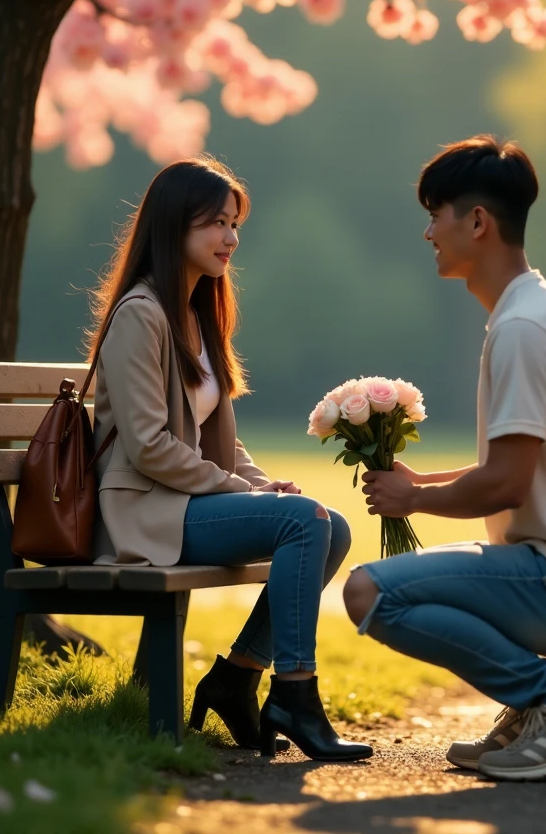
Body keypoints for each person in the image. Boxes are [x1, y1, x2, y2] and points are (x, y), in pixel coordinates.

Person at [343, 135, 546, 781]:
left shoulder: (523, 328)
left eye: (436, 213)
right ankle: (536, 708)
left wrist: (414, 499)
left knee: (371, 592)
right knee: (387, 588)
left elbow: (506, 483)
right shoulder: (531, 311)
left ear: (476, 221)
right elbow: (523, 462)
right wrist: (426, 481)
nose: (428, 233)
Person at [90, 156, 371, 762]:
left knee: (329, 525)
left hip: (181, 502)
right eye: (217, 223)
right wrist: (241, 494)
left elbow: (218, 441)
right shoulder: (141, 316)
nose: (232, 238)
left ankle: (237, 678)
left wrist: (263, 485)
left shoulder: (195, 316)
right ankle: (295, 694)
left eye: (234, 224)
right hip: (142, 511)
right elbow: (148, 445)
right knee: (305, 523)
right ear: (174, 227)